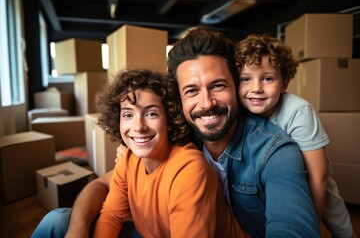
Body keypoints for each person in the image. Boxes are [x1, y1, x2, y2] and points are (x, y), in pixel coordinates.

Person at [32, 28, 319, 238]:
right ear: (176, 101)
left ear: (237, 84)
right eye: (191, 91)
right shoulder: (176, 134)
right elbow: (105, 186)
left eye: (218, 85)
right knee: (60, 221)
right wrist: (79, 230)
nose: (206, 103)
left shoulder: (275, 153)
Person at [234, 33, 354, 238]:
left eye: (268, 78)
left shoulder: (298, 111)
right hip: (275, 181)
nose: (256, 88)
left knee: (334, 212)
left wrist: (311, 225)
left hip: (313, 177)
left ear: (284, 83)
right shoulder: (241, 112)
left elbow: (319, 176)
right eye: (245, 79)